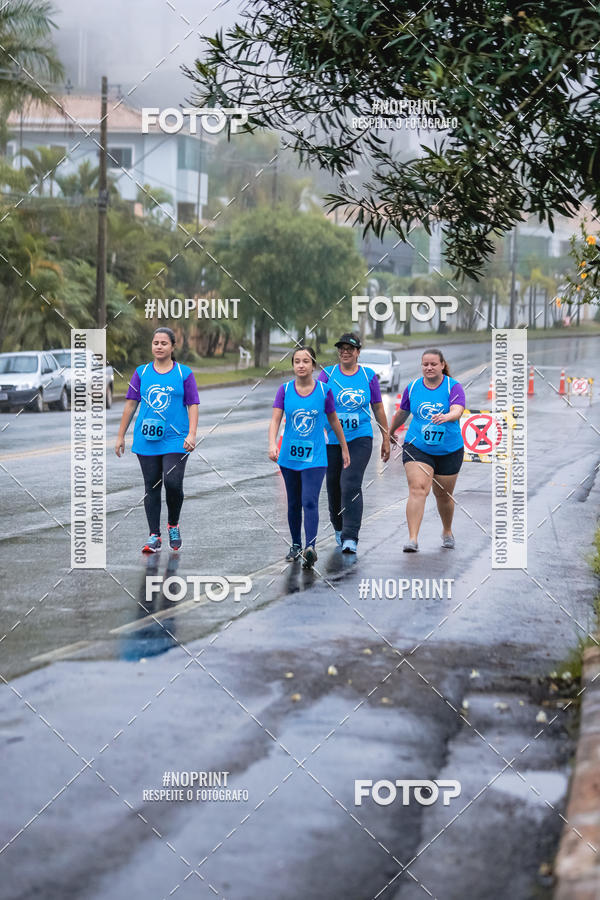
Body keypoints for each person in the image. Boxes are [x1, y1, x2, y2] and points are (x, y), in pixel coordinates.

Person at [115, 327, 200, 553]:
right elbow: (131, 405)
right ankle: (154, 535)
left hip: (176, 438)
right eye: (155, 343)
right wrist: (121, 435)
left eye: (164, 343)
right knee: (152, 486)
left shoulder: (184, 373)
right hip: (147, 439)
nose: (159, 347)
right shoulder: (141, 373)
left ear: (172, 347)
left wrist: (192, 433)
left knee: (172, 483)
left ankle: (173, 524)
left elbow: (193, 404)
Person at [268, 346, 350, 569]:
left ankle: (310, 548)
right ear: (293, 365)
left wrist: (344, 448)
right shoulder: (284, 390)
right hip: (289, 457)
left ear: (313, 365)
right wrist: (272, 444)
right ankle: (295, 545)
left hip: (315, 457)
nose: (301, 365)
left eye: (306, 361)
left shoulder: (324, 391)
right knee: (294, 502)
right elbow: (275, 420)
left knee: (309, 500)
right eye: (297, 361)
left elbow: (334, 421)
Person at [318, 332, 390, 554]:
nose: (345, 352)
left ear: (358, 352)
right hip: (332, 442)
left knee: (350, 483)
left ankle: (351, 536)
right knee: (333, 487)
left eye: (350, 349)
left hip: (360, 438)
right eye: (341, 348)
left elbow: (378, 407)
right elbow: (315, 401)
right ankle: (339, 528)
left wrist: (386, 437)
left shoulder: (368, 376)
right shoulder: (327, 374)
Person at [389, 348, 465, 552]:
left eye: (433, 364)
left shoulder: (453, 387)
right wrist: (390, 430)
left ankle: (447, 530)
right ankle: (412, 539)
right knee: (418, 489)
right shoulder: (413, 387)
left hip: (449, 449)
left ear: (442, 365)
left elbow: (458, 409)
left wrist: (448, 416)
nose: (429, 368)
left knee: (443, 495)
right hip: (417, 446)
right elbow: (403, 413)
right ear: (421, 366)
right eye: (425, 364)